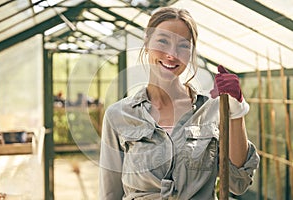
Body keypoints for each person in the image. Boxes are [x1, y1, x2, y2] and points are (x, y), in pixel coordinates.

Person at [99, 7, 260, 200]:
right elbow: (110, 193)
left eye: (183, 45)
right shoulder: (119, 115)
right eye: (163, 41)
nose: (171, 54)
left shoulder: (212, 111)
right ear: (147, 43)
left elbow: (238, 182)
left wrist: (237, 109)